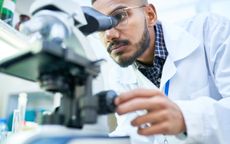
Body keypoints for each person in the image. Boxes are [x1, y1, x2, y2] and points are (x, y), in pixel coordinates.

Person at [91, 0, 230, 144]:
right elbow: (133, 134)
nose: (109, 35)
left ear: (150, 15)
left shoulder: (212, 31)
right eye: (100, 26)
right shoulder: (118, 75)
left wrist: (186, 118)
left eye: (119, 16)